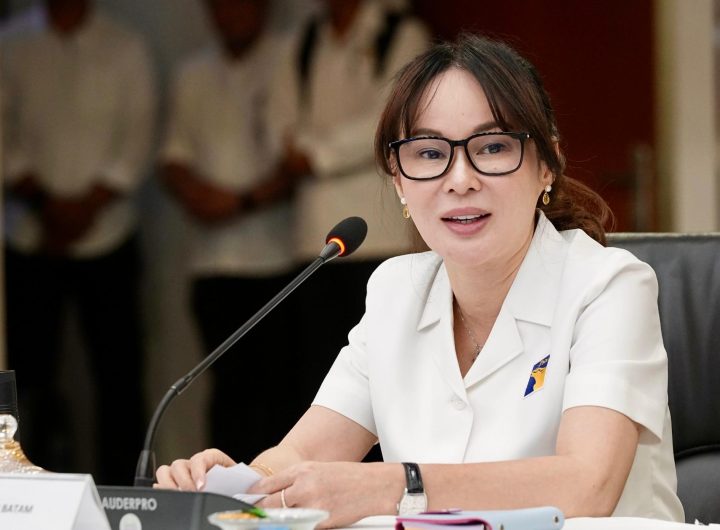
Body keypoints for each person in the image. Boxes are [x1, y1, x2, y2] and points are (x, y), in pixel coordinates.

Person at [154, 34, 685, 526]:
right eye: (429, 154)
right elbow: (300, 455)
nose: (461, 179)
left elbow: (587, 485)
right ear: (399, 181)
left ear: (547, 164)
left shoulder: (609, 285)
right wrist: (233, 486)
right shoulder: (395, 291)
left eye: (493, 147)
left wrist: (396, 485)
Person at [2, 0, 154, 484]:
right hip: (30, 234)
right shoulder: (11, 41)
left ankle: (125, 493)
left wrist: (85, 206)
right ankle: (25, 492)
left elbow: (137, 136)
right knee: (27, 381)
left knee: (119, 377)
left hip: (107, 233)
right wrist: (45, 204)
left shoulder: (125, 46)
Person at [266, 0, 429, 413]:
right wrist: (297, 150)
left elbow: (391, 118)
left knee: (390, 379)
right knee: (320, 378)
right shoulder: (301, 40)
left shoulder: (402, 33)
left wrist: (315, 154)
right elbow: (276, 122)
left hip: (381, 237)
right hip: (314, 241)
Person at [159, 0, 296, 461]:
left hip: (280, 258)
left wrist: (242, 201)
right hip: (213, 262)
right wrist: (203, 198)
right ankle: (222, 488)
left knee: (282, 394)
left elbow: (298, 154)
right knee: (226, 392)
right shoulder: (193, 72)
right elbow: (173, 157)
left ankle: (276, 491)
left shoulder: (290, 55)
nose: (231, 13)